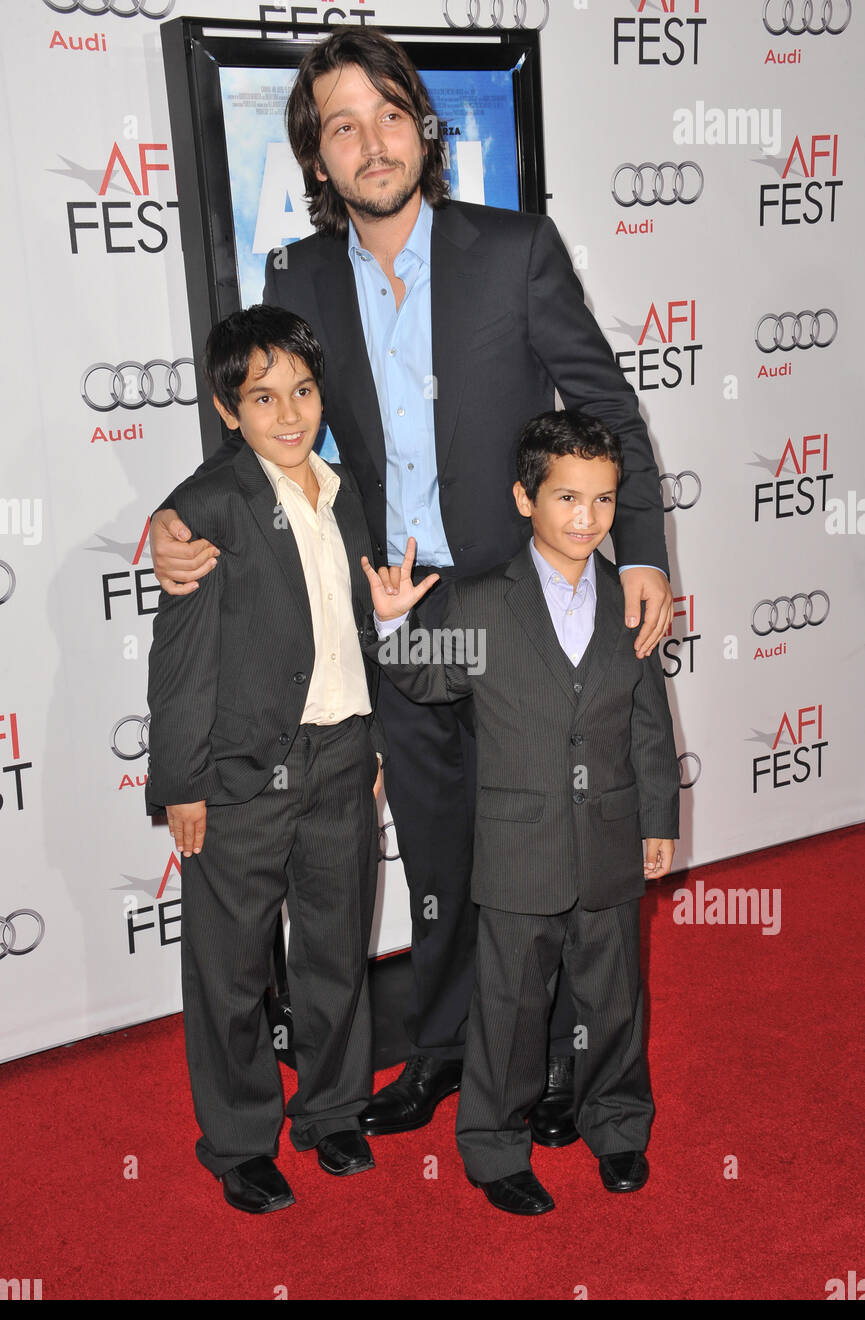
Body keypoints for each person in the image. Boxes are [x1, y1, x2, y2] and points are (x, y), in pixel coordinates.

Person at [149, 26, 674, 1147]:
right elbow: (264, 433)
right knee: (439, 846)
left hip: (527, 604)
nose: (369, 141)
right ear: (317, 155)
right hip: (402, 610)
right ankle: (445, 1050)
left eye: (387, 114)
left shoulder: (512, 248)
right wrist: (175, 517)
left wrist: (638, 551)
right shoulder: (295, 275)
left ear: (422, 130)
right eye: (340, 125)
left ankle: (565, 1068)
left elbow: (609, 408)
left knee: (560, 843)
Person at [362, 410, 679, 1215]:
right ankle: (493, 1148)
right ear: (523, 498)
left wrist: (656, 822)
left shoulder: (629, 598)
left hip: (608, 835)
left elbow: (647, 721)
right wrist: (396, 622)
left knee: (612, 1000)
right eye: (567, 498)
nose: (586, 518)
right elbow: (426, 681)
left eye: (603, 501)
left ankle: (616, 1128)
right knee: (507, 1007)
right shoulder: (479, 603)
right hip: (514, 848)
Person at [146, 305, 384, 1213]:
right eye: (262, 396)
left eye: (303, 390)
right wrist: (182, 785)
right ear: (225, 407)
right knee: (231, 967)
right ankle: (241, 1139)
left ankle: (332, 1110)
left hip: (341, 756)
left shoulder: (343, 485)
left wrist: (370, 740)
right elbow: (182, 659)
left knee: (334, 948)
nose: (289, 414)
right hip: (238, 779)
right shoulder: (206, 506)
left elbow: (353, 626)